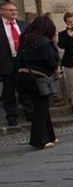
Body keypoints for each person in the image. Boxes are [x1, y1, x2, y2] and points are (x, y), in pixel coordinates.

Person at [15, 16, 60, 149]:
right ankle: (39, 140)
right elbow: (51, 61)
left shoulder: (25, 39)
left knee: (41, 107)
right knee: (41, 108)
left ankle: (49, 136)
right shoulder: (44, 42)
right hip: (38, 78)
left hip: (23, 75)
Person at [0, 1, 33, 126]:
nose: (14, 12)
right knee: (9, 91)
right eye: (10, 10)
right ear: (2, 11)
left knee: (25, 88)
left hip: (23, 62)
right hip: (6, 62)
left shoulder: (23, 25)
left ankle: (29, 113)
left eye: (15, 10)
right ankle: (12, 116)